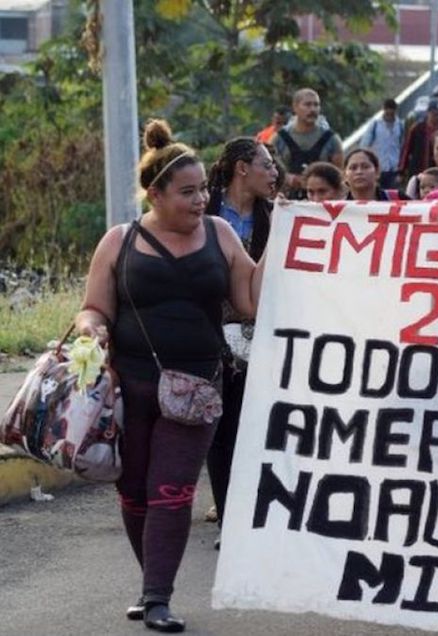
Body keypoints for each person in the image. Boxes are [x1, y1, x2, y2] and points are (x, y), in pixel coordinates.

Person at [75, 119, 266, 633]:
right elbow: (94, 307)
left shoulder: (221, 235)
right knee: (135, 491)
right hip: (129, 386)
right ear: (154, 194)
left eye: (204, 188)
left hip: (197, 387)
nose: (201, 199)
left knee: (171, 489)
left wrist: (283, 242)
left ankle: (158, 597)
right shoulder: (119, 241)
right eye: (188, 191)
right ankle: (150, 584)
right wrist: (90, 332)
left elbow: (249, 303)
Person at [201, 137, 277, 548]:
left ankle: (255, 511)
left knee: (260, 428)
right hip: (211, 337)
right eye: (266, 164)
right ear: (242, 168)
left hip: (264, 335)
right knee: (222, 429)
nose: (275, 172)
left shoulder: (278, 215)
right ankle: (230, 518)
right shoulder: (202, 209)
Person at [271, 88, 343, 198]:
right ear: (295, 107)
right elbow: (269, 170)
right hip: (288, 201)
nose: (313, 109)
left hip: (322, 202)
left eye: (316, 105)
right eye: (308, 105)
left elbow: (339, 175)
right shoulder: (279, 139)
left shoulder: (332, 139)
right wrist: (289, 178)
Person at [398, 98, 438, 182]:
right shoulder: (417, 128)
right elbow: (407, 149)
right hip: (418, 170)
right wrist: (401, 171)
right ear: (428, 113)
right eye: (435, 114)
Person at [360, 98, 404, 189]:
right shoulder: (375, 125)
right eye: (387, 113)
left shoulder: (400, 125)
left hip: (394, 168)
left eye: (391, 114)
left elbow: (402, 145)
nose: (389, 116)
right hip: (379, 167)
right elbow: (364, 144)